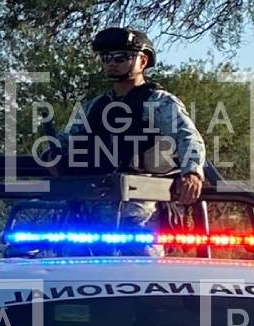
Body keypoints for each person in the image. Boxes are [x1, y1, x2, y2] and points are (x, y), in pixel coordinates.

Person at [47, 27, 206, 230]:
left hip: (144, 211)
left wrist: (192, 173)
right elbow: (66, 138)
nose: (112, 63)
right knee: (71, 259)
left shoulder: (158, 102)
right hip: (89, 212)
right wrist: (53, 154)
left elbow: (188, 137)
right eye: (106, 58)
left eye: (121, 57)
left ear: (143, 61)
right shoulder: (95, 105)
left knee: (142, 261)